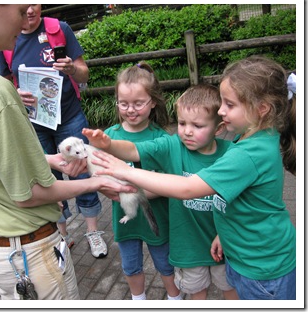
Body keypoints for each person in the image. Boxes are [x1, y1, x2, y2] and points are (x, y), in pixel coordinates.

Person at [0, 4, 135, 300]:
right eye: (20, 9)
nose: (25, 19)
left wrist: (48, 160)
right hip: (27, 251)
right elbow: (29, 193)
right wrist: (97, 183)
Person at [84, 55, 296, 300]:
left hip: (262, 270)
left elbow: (188, 188)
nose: (220, 110)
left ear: (262, 109)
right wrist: (224, 234)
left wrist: (127, 171)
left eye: (229, 104)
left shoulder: (248, 154)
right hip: (254, 256)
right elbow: (246, 207)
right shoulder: (258, 136)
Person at [0, 4, 107, 258]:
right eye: (24, 6)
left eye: (34, 3)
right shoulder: (6, 38)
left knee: (82, 173)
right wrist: (15, 94)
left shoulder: (59, 29)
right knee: (48, 180)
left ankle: (92, 232)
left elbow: (84, 72)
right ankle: (63, 236)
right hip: (34, 124)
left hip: (69, 117)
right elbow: (1, 83)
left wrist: (72, 70)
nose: (31, 10)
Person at [104, 61, 181, 300]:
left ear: (152, 102)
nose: (130, 109)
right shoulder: (109, 137)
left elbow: (171, 182)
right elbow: (102, 177)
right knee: (130, 266)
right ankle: (139, 300)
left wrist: (133, 191)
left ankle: (175, 298)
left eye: (138, 103)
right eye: (124, 103)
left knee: (165, 264)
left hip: (157, 215)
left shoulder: (162, 139)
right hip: (125, 219)